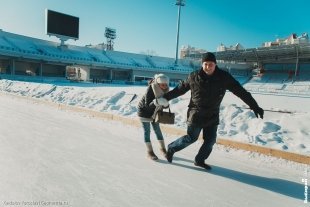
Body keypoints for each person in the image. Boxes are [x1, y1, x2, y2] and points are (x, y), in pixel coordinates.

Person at [162, 52, 264, 170]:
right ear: (202, 64)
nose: (208, 67)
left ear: (215, 64)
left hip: (212, 115)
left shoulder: (224, 77)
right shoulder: (193, 76)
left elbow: (241, 92)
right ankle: (171, 148)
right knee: (191, 138)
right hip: (196, 114)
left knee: (210, 141)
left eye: (211, 64)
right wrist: (164, 98)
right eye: (205, 64)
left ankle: (199, 160)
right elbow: (179, 90)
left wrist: (254, 106)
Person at [137, 74, 170, 160]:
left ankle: (163, 149)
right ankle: (150, 151)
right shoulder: (151, 88)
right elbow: (147, 105)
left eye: (166, 84)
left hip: (155, 112)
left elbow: (164, 104)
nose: (164, 86)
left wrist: (166, 104)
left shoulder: (166, 90)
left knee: (158, 130)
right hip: (144, 112)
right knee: (147, 131)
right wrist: (157, 102)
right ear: (158, 83)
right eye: (162, 84)